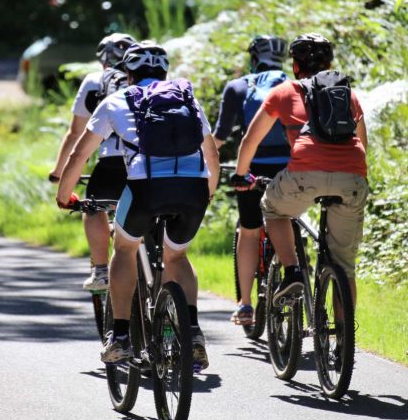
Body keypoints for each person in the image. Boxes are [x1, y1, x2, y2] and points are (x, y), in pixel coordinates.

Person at [56, 42, 219, 371]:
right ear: (164, 72)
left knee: (125, 248)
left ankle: (119, 337)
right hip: (193, 189)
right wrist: (208, 192)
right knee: (177, 256)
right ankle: (193, 331)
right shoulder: (186, 97)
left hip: (146, 188)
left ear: (127, 74)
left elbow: (80, 155)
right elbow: (212, 154)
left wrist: (64, 194)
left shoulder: (115, 100)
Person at [232, 32, 369, 311]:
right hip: (352, 175)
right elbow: (362, 143)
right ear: (329, 65)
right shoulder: (348, 95)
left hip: (305, 173)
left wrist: (240, 175)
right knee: (345, 267)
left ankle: (292, 270)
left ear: (295, 66)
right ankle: (344, 343)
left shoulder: (284, 92)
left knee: (272, 207)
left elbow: (251, 140)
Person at [212, 35, 290, 326]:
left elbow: (220, 136)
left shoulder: (239, 86)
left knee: (249, 231)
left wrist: (201, 159)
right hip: (292, 167)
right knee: (289, 220)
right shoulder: (293, 86)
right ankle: (298, 274)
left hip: (253, 169)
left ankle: (245, 304)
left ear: (253, 58)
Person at [49, 33, 136, 291]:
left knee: (93, 206)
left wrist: (58, 171)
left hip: (111, 162)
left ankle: (100, 270)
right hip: (149, 161)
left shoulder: (95, 82)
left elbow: (76, 133)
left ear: (103, 59)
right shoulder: (147, 83)